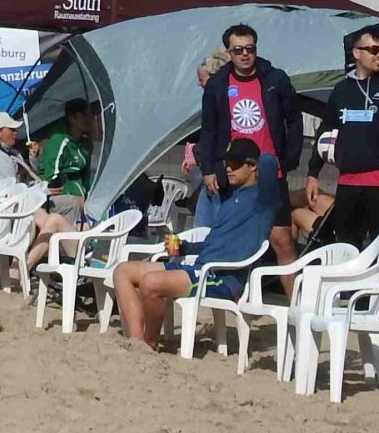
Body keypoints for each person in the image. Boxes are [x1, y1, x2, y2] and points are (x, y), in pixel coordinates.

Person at [112, 140, 277, 351]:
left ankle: (150, 343)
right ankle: (137, 342)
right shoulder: (230, 200)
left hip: (223, 278)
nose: (228, 169)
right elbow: (212, 244)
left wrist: (252, 150)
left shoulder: (263, 200)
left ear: (253, 166)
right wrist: (185, 247)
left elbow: (269, 161)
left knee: (151, 283)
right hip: (201, 268)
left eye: (235, 164)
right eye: (227, 163)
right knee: (123, 271)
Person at [199, 22, 300, 266]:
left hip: (269, 171)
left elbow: (294, 120)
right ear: (228, 52)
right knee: (236, 238)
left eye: (250, 49)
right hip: (234, 172)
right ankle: (238, 287)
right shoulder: (217, 84)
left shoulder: (275, 79)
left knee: (281, 239)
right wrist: (208, 169)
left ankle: (295, 290)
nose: (245, 54)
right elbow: (208, 129)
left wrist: (289, 159)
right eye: (238, 50)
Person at [317, 27, 379, 250]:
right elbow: (326, 129)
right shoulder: (341, 89)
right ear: (356, 53)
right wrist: (313, 173)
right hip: (348, 180)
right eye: (374, 50)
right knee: (346, 245)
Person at [18, 99, 100, 281]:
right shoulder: (60, 142)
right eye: (87, 116)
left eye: (92, 115)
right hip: (66, 206)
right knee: (44, 214)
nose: (91, 120)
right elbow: (46, 179)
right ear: (73, 118)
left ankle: (22, 268)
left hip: (82, 215)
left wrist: (85, 198)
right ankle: (21, 266)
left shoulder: (86, 145)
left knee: (55, 216)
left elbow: (86, 178)